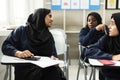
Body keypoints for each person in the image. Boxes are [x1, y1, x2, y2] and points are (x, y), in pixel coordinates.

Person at [2, 8, 65, 80]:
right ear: (40, 17)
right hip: (26, 69)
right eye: (49, 16)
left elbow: (53, 54)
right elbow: (6, 46)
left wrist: (53, 58)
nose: (52, 19)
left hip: (46, 69)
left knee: (55, 72)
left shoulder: (48, 35)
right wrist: (18, 53)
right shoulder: (22, 31)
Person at [85, 12, 120, 80]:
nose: (109, 26)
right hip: (109, 75)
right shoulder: (107, 38)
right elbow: (89, 51)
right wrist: (112, 57)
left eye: (113, 24)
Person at [79, 12, 106, 80]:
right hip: (87, 55)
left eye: (94, 20)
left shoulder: (102, 32)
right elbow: (84, 42)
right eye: (89, 20)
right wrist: (94, 30)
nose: (90, 22)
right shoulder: (84, 30)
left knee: (105, 65)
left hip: (100, 55)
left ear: (99, 22)